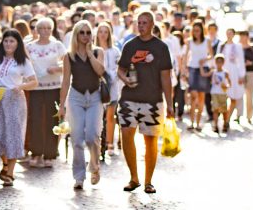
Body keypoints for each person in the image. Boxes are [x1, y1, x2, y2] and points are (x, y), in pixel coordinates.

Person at [116, 11, 174, 194]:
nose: (140, 25)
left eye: (144, 22)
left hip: (153, 101)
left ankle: (148, 181)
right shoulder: (129, 45)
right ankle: (134, 178)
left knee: (150, 140)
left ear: (152, 25)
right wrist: (126, 80)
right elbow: (120, 70)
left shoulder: (161, 48)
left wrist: (170, 104)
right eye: (138, 22)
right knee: (126, 134)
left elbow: (166, 78)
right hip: (129, 99)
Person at [0, 29, 38, 187]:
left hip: (14, 99)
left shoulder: (23, 61)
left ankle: (10, 172)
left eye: (12, 41)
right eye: (6, 40)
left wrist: (21, 86)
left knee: (13, 135)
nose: (8, 44)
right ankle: (5, 164)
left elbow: (34, 82)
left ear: (17, 43)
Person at [58, 20, 105, 190]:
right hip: (76, 97)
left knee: (92, 136)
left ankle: (94, 167)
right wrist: (62, 105)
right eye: (82, 32)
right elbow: (65, 82)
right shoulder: (69, 56)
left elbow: (100, 71)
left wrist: (90, 54)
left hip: (94, 97)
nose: (85, 36)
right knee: (77, 139)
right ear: (76, 35)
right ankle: (79, 176)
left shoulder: (99, 52)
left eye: (88, 32)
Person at [25, 17, 66, 168]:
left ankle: (50, 154)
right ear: (36, 30)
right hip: (35, 87)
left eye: (48, 28)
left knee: (52, 120)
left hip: (53, 86)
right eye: (42, 28)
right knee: (35, 119)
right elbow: (24, 64)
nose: (45, 31)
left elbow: (67, 63)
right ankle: (35, 153)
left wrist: (56, 68)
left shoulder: (57, 45)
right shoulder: (29, 47)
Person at [96, 22, 121, 156]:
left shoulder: (114, 51)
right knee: (98, 116)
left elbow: (120, 68)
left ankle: (110, 143)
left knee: (111, 116)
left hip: (111, 87)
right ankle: (99, 143)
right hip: (97, 87)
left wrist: (112, 75)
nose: (103, 34)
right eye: (101, 31)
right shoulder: (93, 50)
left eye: (106, 32)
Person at [182, 21, 212, 131]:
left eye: (198, 30)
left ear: (202, 30)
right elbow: (185, 56)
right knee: (193, 96)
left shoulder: (207, 40)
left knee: (201, 97)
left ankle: (198, 123)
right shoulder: (189, 42)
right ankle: (191, 122)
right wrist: (184, 70)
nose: (196, 33)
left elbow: (211, 55)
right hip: (192, 69)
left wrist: (205, 60)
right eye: (194, 31)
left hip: (203, 69)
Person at [220, 28, 246, 126]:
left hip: (234, 74)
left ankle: (227, 120)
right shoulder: (222, 46)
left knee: (233, 97)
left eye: (230, 33)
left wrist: (241, 75)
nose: (229, 35)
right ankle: (224, 118)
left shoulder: (237, 47)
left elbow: (241, 61)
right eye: (227, 33)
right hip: (223, 73)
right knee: (222, 97)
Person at [202, 54, 230, 134]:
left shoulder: (225, 73)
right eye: (217, 62)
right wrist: (201, 66)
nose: (219, 64)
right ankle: (216, 126)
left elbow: (229, 84)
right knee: (215, 109)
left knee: (224, 110)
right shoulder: (213, 72)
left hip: (223, 93)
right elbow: (204, 74)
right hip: (214, 92)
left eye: (220, 62)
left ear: (223, 63)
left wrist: (226, 86)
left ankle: (225, 124)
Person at [239, 31, 253, 124]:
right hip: (240, 74)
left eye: (244, 36)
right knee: (239, 96)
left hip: (251, 73)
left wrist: (251, 63)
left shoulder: (252, 48)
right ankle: (238, 115)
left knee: (249, 96)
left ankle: (249, 116)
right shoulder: (237, 48)